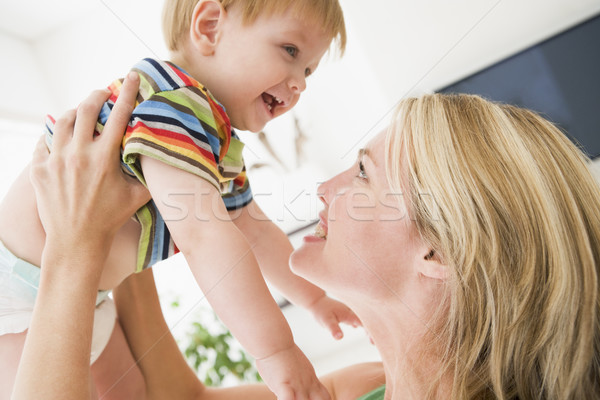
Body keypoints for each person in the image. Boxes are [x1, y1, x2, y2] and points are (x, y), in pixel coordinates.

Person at [14, 89, 600, 399]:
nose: (325, 188)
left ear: (440, 253)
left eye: (364, 174)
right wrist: (140, 177)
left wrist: (73, 247)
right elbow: (174, 399)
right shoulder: (357, 389)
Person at [0, 0, 359, 398]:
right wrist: (277, 351)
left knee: (132, 394)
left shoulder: (217, 142)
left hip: (83, 293)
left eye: (308, 69)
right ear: (208, 27)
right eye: (290, 51)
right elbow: (204, 238)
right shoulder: (175, 105)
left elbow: (254, 230)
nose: (300, 83)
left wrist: (314, 299)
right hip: (15, 294)